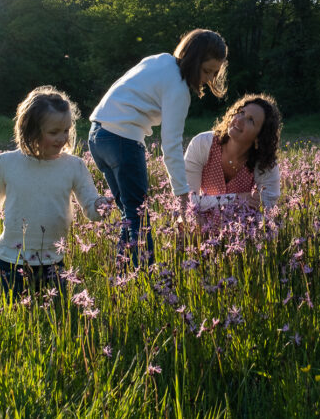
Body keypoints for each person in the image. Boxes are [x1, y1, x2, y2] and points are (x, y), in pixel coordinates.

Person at [0, 86, 112, 298]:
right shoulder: (7, 162)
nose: (62, 138)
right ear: (31, 131)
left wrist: (101, 206)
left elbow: (90, 207)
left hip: (53, 262)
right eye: (53, 132)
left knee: (56, 314)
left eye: (66, 130)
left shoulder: (74, 166)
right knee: (12, 310)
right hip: (11, 261)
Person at [88, 29, 227, 265]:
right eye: (206, 71)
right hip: (123, 140)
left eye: (215, 73)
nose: (209, 78)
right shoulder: (179, 88)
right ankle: (146, 275)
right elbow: (171, 144)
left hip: (97, 136)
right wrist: (182, 194)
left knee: (129, 214)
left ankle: (124, 273)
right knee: (138, 216)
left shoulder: (160, 60)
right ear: (193, 59)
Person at [183, 94, 282, 232]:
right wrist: (236, 199)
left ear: (259, 137)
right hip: (199, 228)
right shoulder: (202, 143)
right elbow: (187, 201)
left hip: (241, 235)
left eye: (250, 120)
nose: (239, 120)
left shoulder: (265, 163)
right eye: (241, 112)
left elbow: (267, 209)